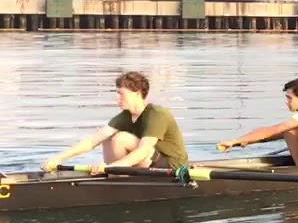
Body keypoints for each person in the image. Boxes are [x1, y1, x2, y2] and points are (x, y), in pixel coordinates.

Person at [41, 71, 189, 174]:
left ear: (137, 93)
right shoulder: (125, 116)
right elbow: (92, 141)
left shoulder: (157, 114)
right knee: (108, 137)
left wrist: (109, 167)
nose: (117, 99)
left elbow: (143, 151)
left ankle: (116, 172)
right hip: (147, 164)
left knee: (120, 138)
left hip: (172, 168)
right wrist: (58, 158)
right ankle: (118, 174)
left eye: (121, 94)